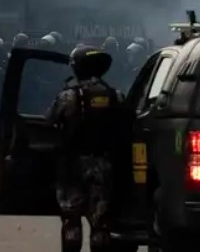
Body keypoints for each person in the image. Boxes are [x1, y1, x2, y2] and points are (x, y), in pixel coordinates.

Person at [47, 45, 124, 252]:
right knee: (100, 222)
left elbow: (51, 121)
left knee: (71, 221)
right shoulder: (116, 95)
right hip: (104, 165)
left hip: (72, 166)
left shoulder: (69, 96)